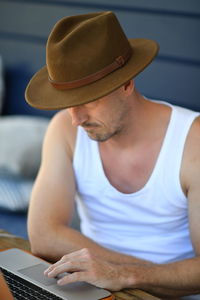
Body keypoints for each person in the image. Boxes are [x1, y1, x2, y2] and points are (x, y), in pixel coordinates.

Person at [25, 11, 200, 298]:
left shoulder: (193, 142)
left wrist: (124, 275)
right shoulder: (64, 130)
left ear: (126, 84)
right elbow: (43, 235)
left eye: (87, 101)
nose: (76, 119)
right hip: (92, 285)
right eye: (68, 103)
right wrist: (106, 273)